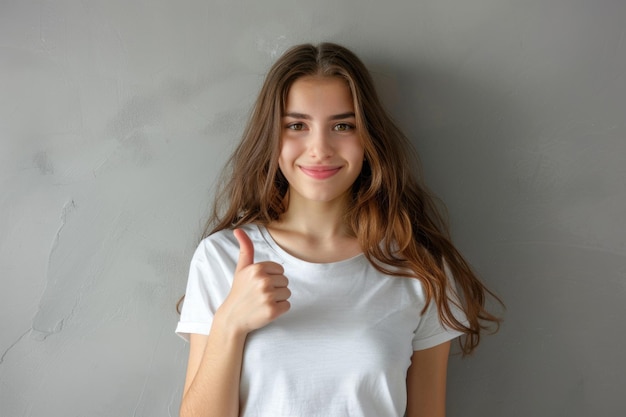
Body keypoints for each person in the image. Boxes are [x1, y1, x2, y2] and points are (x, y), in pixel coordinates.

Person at [175, 42, 502, 417]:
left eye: (342, 126)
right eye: (297, 126)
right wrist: (230, 323)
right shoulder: (222, 257)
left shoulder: (418, 266)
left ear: (368, 138)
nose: (320, 149)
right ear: (272, 138)